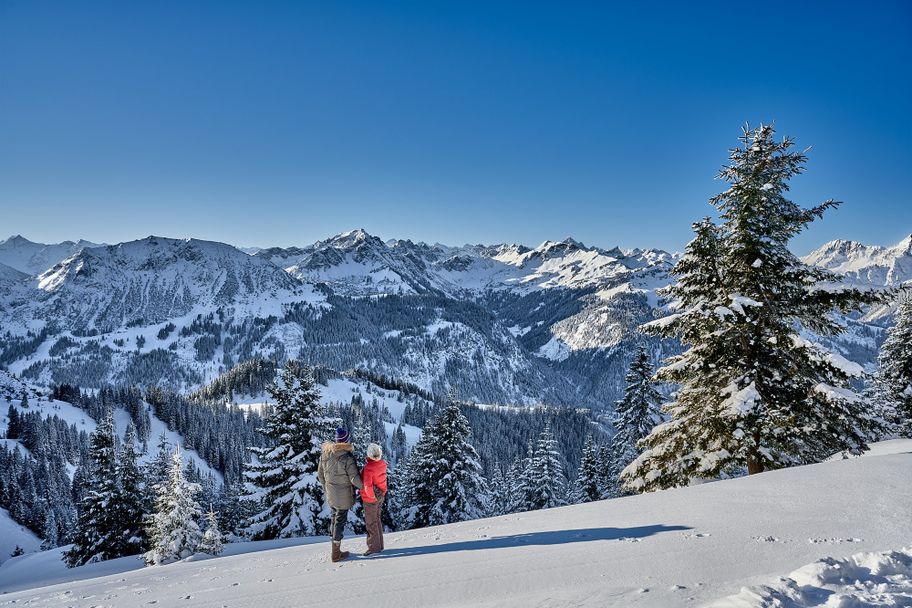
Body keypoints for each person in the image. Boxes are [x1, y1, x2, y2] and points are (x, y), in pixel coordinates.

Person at [317, 427, 363, 562]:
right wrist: (366, 487)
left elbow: (320, 475)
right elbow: (354, 478)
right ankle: (336, 553)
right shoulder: (347, 457)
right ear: (346, 440)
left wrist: (327, 488)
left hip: (331, 494)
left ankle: (335, 548)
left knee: (334, 518)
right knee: (340, 520)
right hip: (343, 496)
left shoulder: (325, 454)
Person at [360, 442, 388, 556]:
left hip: (371, 500)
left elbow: (367, 486)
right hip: (381, 496)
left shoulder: (369, 468)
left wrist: (371, 497)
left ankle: (373, 548)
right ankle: (379, 545)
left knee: (371, 523)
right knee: (377, 520)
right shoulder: (383, 464)